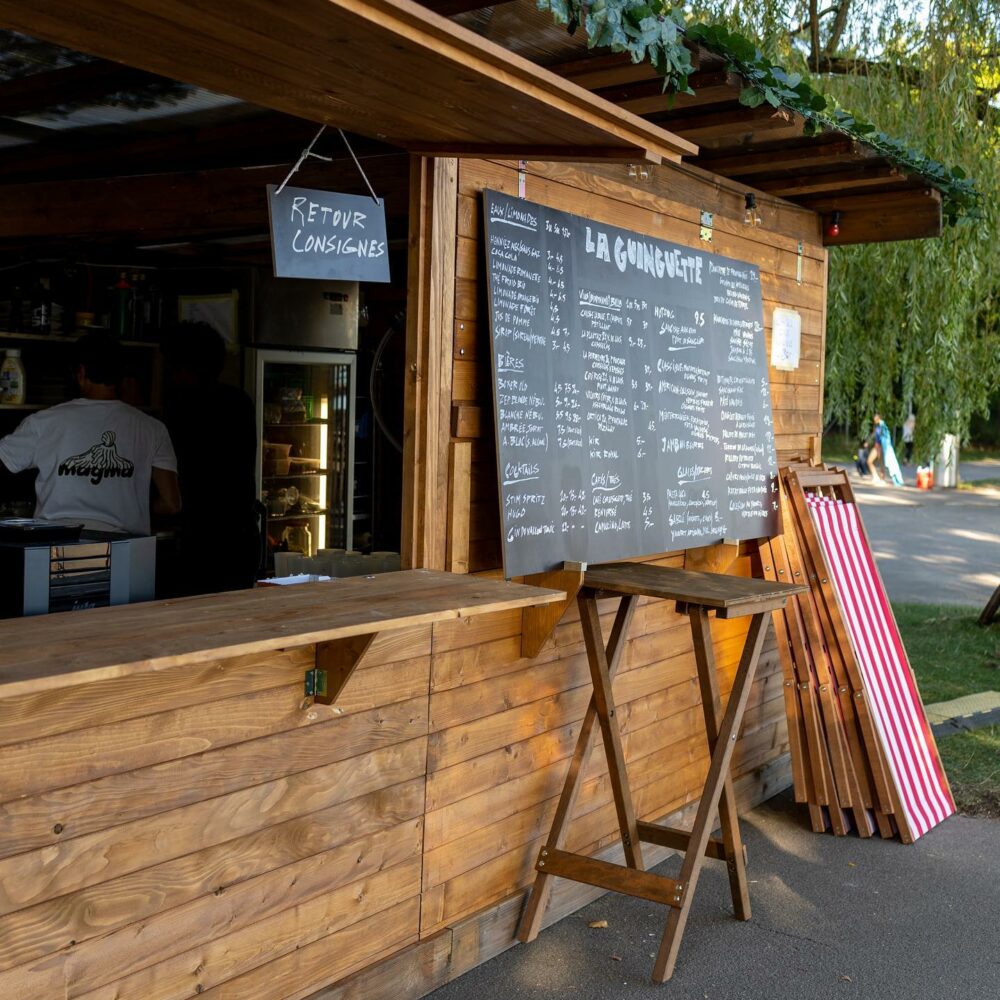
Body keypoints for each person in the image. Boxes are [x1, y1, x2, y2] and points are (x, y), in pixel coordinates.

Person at [0, 331, 179, 534]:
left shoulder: (43, 423)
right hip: (126, 549)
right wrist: (131, 509)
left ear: (81, 372)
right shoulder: (152, 428)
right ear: (121, 375)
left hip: (56, 545)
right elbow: (170, 503)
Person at [161, 320, 259, 595]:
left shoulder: (180, 405)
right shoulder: (239, 401)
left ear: (180, 366)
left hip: (200, 541)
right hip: (241, 537)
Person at [870, 413, 904, 486]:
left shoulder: (882, 426)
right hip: (878, 446)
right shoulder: (878, 426)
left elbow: (881, 436)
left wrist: (878, 443)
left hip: (881, 446)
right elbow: (876, 434)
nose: (874, 419)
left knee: (881, 462)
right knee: (872, 461)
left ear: (879, 417)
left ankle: (882, 478)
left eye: (875, 417)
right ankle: (877, 477)